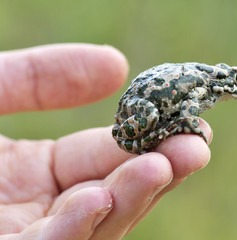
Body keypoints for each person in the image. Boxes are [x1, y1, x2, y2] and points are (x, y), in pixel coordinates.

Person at [0, 44, 212, 239]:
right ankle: (159, 131)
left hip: (145, 99)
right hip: (142, 105)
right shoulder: (204, 85)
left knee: (156, 165)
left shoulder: (202, 78)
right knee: (151, 118)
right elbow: (190, 104)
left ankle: (161, 130)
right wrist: (190, 126)